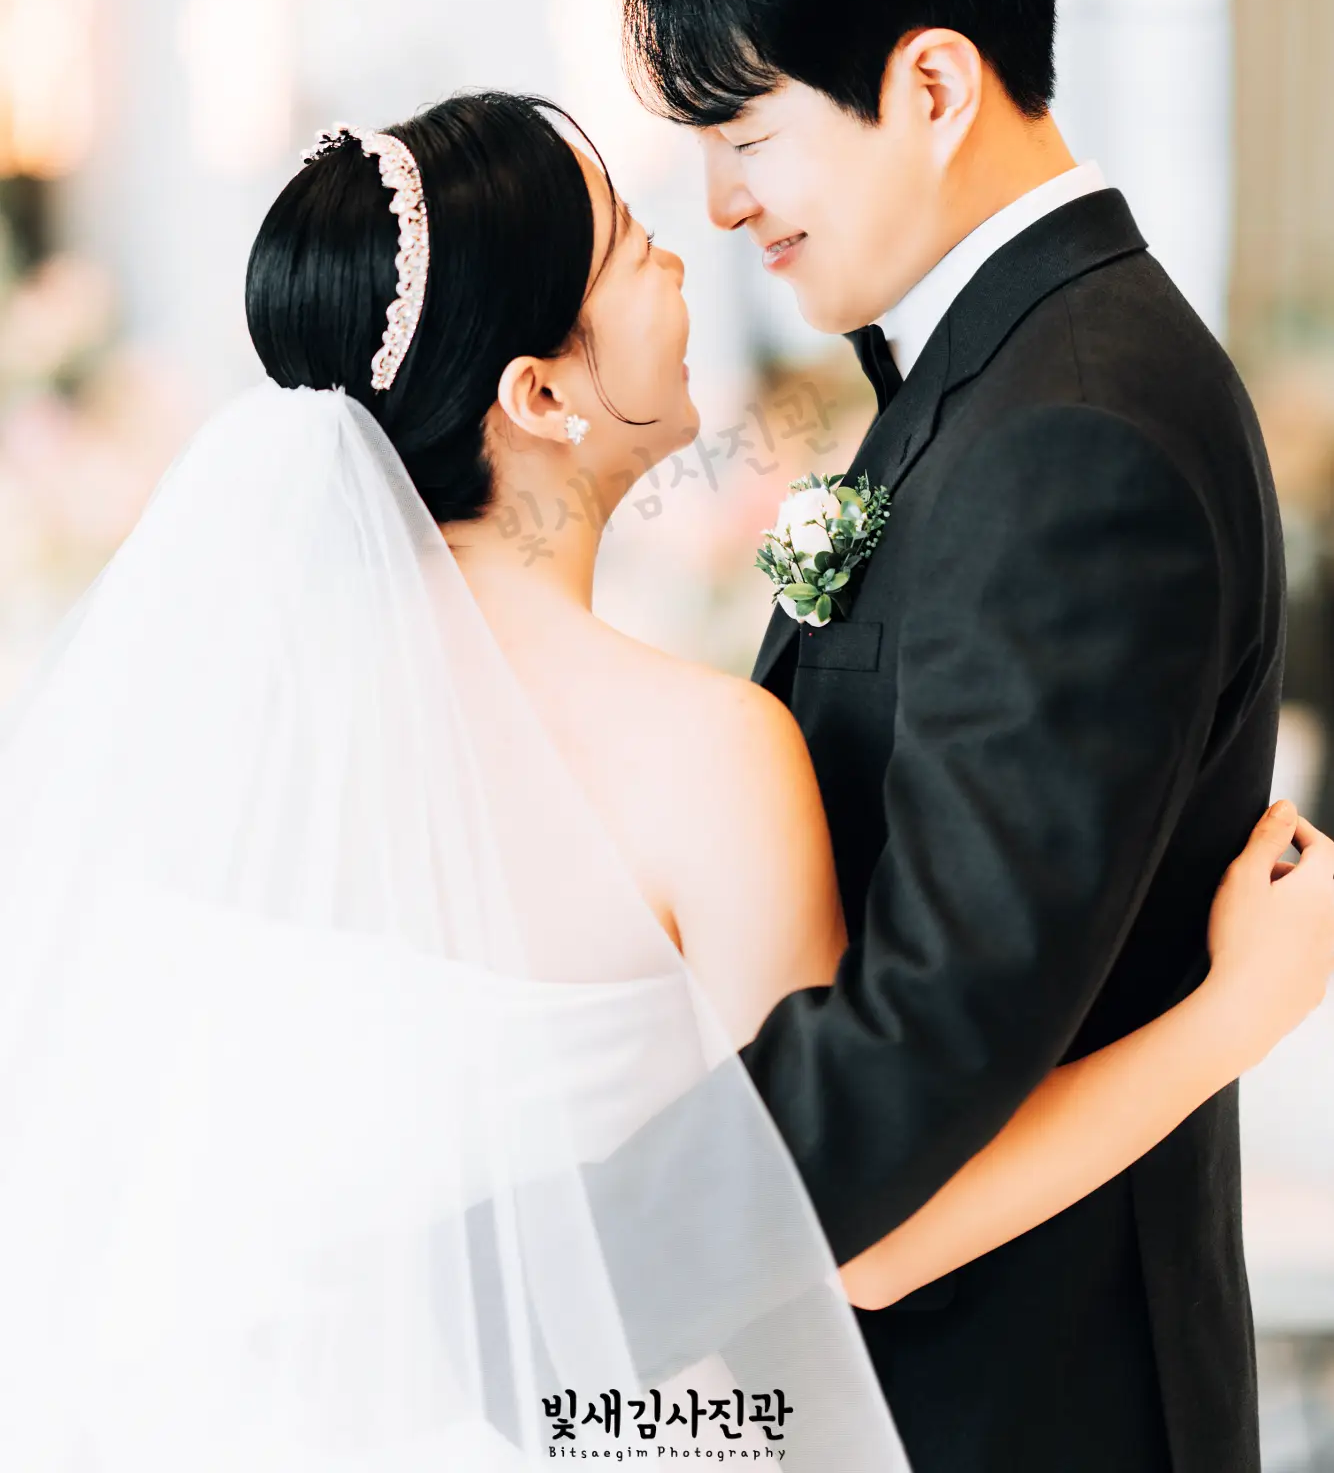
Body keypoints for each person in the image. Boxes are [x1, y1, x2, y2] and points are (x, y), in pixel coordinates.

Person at [0, 94, 1329, 1471]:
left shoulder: (238, 735)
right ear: (541, 394)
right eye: (631, 246)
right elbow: (870, 1231)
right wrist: (1238, 1012)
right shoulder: (699, 755)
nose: (684, 252)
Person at [612, 0, 1303, 1473]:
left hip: (1017, 1406)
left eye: (745, 135)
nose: (722, 205)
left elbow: (926, 1048)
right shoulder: (1003, 373)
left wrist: (548, 1252)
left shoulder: (1074, 432)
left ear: (929, 83)